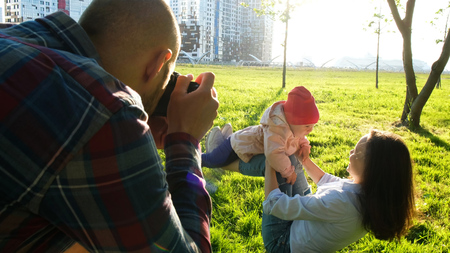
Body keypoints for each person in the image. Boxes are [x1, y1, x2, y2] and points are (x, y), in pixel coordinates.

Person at [0, 0, 218, 252]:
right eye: (167, 76)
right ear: (159, 63)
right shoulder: (105, 113)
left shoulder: (16, 38)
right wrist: (185, 141)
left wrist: (138, 138)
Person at [223, 129, 415, 252]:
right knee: (290, 161)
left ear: (373, 167)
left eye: (356, 152)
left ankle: (217, 160)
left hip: (282, 242)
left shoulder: (342, 202)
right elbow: (327, 181)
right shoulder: (369, 196)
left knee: (280, 165)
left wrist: (270, 162)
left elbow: (275, 204)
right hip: (303, 226)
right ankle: (225, 150)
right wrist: (303, 160)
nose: (351, 153)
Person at [202, 86, 319, 195]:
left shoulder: (293, 127)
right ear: (293, 121)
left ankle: (220, 142)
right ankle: (193, 155)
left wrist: (304, 146)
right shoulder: (277, 131)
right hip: (236, 145)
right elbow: (274, 153)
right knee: (213, 161)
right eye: (307, 126)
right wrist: (288, 172)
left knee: (219, 159)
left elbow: (300, 138)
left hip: (249, 146)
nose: (310, 130)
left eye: (313, 126)